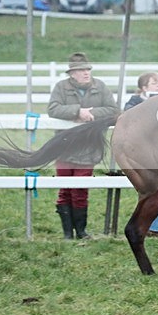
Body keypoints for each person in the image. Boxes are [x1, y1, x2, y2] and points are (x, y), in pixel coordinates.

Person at [48, 52, 119, 239]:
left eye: (88, 69)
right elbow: (53, 109)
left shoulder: (100, 87)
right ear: (72, 73)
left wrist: (92, 113)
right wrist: (77, 112)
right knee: (65, 189)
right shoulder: (61, 88)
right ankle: (67, 233)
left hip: (89, 147)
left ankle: (81, 231)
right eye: (81, 70)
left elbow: (113, 110)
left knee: (80, 189)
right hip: (64, 147)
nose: (86, 73)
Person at [124, 72, 158, 238]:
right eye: (154, 83)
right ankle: (153, 227)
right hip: (142, 154)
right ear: (144, 88)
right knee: (153, 190)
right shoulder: (134, 103)